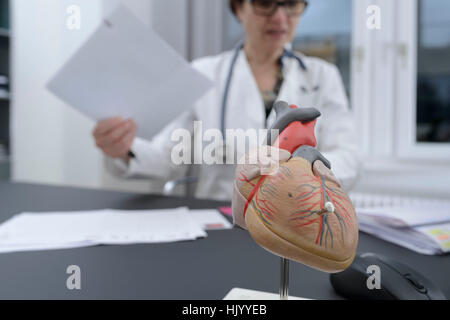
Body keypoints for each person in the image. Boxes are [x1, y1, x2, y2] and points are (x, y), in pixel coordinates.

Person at [92, 0, 360, 201]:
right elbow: (169, 154)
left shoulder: (322, 76)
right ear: (238, 9)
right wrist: (125, 148)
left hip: (294, 220)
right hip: (223, 218)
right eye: (264, 3)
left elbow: (348, 156)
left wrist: (298, 170)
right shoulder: (204, 74)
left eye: (290, 4)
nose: (279, 17)